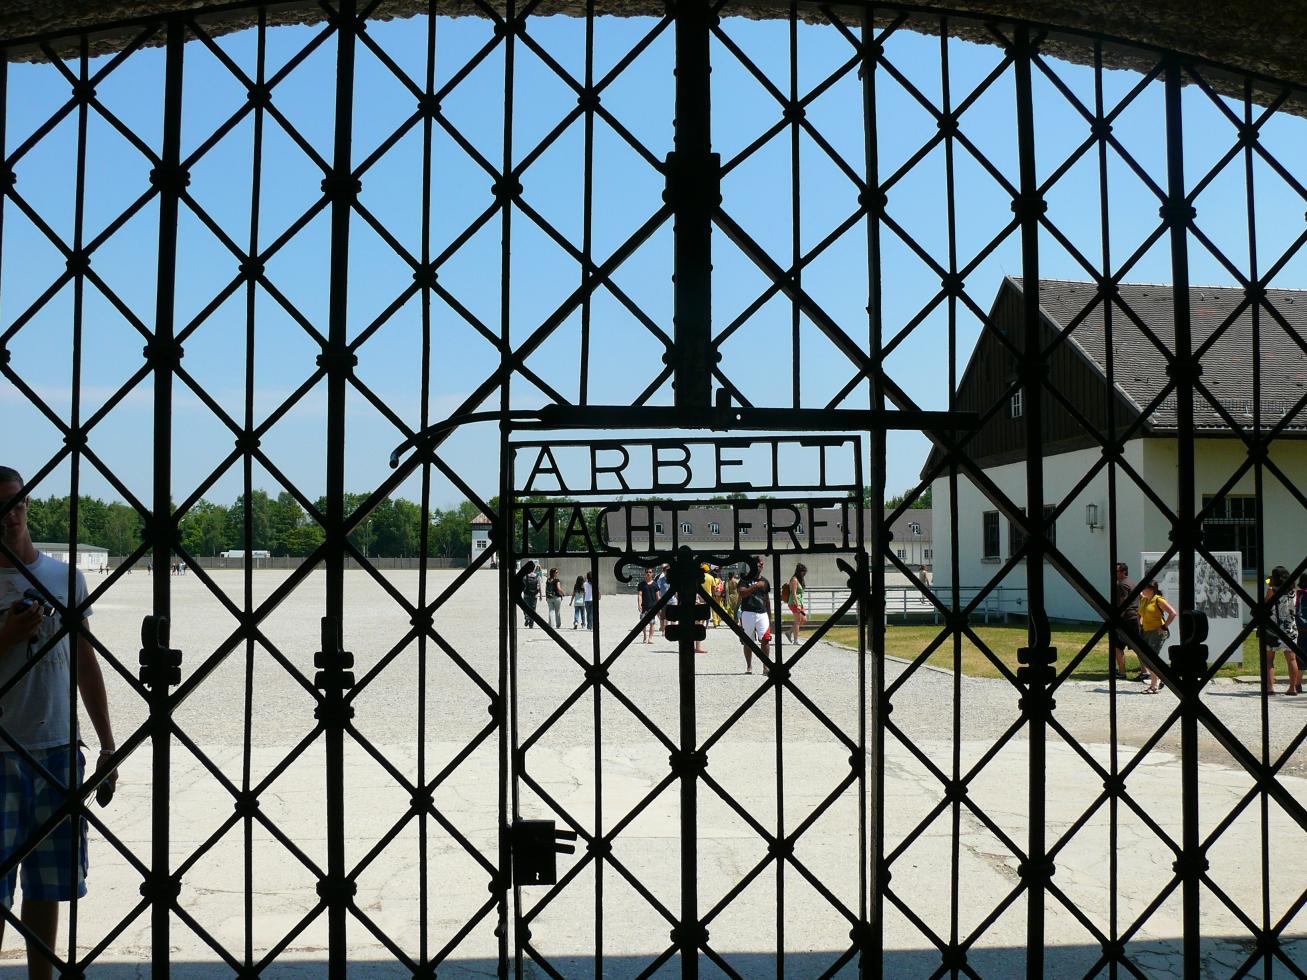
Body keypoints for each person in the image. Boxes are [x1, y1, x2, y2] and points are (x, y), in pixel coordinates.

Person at [0, 467, 117, 980]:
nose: (8, 516)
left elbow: (86, 663)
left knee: (47, 889)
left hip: (58, 749)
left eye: (15, 503)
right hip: (1, 751)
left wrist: (108, 745)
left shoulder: (66, 579)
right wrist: (6, 637)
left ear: (27, 505)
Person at [1264, 565, 1301, 696]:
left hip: (1273, 628)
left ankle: (1269, 687)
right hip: (1290, 627)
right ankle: (1292, 688)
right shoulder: (1294, 591)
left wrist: (1269, 586)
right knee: (1292, 659)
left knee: (1269, 659)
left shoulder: (1271, 590)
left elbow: (1265, 605)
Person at [1137, 580, 1177, 695]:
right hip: (1146, 631)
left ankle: (1154, 685)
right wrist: (1140, 624)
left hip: (1157, 632)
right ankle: (1160, 678)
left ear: (1151, 589)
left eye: (1144, 588)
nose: (1142, 590)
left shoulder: (1158, 600)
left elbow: (1173, 613)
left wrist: (1164, 627)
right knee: (1143, 657)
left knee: (1151, 658)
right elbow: (1140, 613)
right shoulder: (1144, 599)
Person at [737, 555, 771, 675]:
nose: (761, 565)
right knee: (748, 641)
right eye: (759, 563)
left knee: (765, 640)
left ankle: (766, 666)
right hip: (748, 613)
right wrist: (755, 586)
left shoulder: (765, 581)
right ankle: (749, 666)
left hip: (762, 613)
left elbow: (767, 599)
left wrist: (770, 616)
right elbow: (742, 593)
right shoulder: (745, 579)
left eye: (762, 564)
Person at [1110, 562, 1140, 683]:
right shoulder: (1133, 583)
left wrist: (1118, 619)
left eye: (1116, 571)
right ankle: (1145, 672)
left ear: (1123, 572)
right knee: (1138, 647)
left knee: (1118, 646)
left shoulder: (1121, 585)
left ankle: (1122, 673)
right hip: (1134, 617)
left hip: (1126, 618)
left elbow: (1123, 603)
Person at [786, 563, 808, 644]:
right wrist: (797, 605)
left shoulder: (799, 580)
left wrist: (800, 604)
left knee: (804, 619)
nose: (804, 574)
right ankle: (796, 640)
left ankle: (789, 632)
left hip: (799, 602)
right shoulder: (794, 580)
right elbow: (794, 593)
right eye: (803, 572)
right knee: (797, 621)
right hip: (794, 602)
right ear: (799, 571)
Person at [637, 567, 660, 644]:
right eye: (647, 572)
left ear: (652, 573)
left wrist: (659, 606)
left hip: (652, 607)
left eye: (650, 572)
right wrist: (639, 604)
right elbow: (640, 595)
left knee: (652, 623)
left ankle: (650, 638)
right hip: (644, 606)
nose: (648, 574)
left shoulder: (655, 584)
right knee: (643, 623)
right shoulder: (641, 584)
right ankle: (644, 637)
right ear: (645, 573)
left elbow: (658, 596)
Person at [520, 563, 541, 628]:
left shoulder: (525, 576)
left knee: (525, 607)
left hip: (526, 594)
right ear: (534, 568)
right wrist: (540, 595)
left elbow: (522, 585)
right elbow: (539, 586)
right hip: (534, 595)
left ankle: (527, 617)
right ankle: (531, 622)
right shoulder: (537, 576)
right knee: (533, 608)